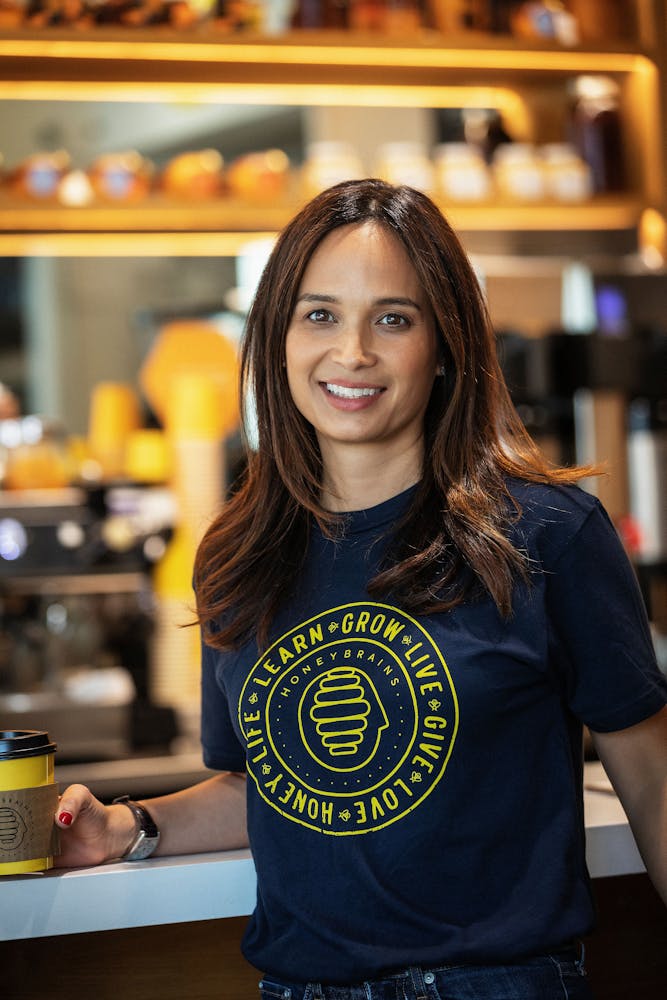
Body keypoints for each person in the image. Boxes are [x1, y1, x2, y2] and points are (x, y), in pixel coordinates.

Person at [54, 179, 667, 1000]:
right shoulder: (238, 553)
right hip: (301, 988)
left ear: (444, 343)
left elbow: (655, 789)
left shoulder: (546, 533)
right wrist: (125, 828)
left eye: (392, 318)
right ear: (275, 339)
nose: (352, 353)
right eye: (319, 315)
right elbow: (264, 787)